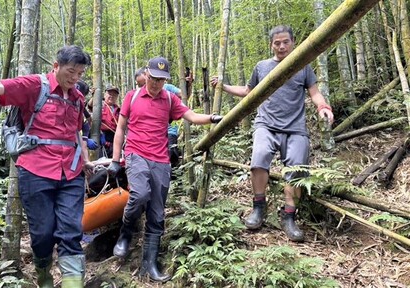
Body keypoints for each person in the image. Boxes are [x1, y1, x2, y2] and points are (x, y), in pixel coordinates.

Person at [0, 42, 93, 287]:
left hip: (72, 173)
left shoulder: (78, 97)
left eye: (80, 74)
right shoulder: (35, 85)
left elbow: (77, 133)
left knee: (71, 230)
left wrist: (86, 161)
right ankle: (43, 270)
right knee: (43, 232)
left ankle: (73, 282)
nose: (75, 78)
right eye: (71, 72)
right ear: (56, 66)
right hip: (36, 170)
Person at [211, 25, 334, 242]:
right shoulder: (262, 67)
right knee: (258, 159)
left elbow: (315, 93)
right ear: (271, 45)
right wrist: (224, 86)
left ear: (293, 42)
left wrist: (323, 107)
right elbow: (249, 92)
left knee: (297, 170)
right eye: (277, 43)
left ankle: (288, 216)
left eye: (285, 42)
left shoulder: (303, 66)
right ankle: (259, 207)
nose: (281, 46)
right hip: (266, 125)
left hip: (295, 127)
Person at [108, 57, 223, 282]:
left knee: (157, 213)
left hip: (160, 159)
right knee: (140, 194)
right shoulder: (132, 97)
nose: (156, 84)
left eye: (161, 80)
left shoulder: (169, 99)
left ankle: (149, 264)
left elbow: (190, 115)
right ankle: (125, 235)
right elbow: (120, 129)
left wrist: (211, 118)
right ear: (146, 75)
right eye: (153, 78)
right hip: (136, 154)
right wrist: (115, 159)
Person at [100, 85, 121, 157]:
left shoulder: (118, 109)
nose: (112, 96)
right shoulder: (100, 105)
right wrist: (94, 96)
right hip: (102, 138)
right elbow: (90, 105)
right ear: (105, 94)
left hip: (115, 140)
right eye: (110, 94)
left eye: (114, 95)